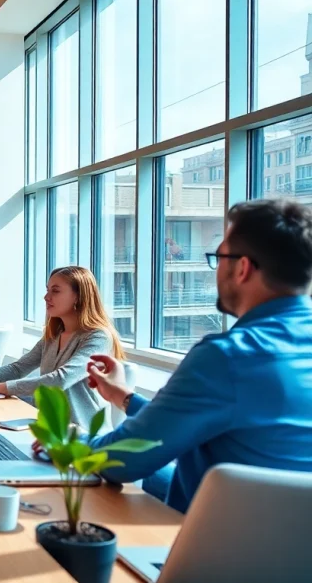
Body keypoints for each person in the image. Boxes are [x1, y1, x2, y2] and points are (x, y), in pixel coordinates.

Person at [81, 199, 312, 513]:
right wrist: (125, 398)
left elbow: (120, 462)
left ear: (242, 267)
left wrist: (65, 444)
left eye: (219, 257)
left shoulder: (228, 357)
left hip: (214, 549)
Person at [0, 266, 124, 428]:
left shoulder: (98, 337)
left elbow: (60, 380)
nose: (46, 297)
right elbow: (19, 368)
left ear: (78, 296)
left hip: (84, 435)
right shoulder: (54, 334)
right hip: (49, 428)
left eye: (55, 291)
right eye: (47, 290)